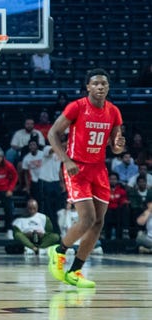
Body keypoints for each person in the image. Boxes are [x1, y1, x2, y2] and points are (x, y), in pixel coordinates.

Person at [47, 68, 125, 288]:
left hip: (98, 169)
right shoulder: (77, 107)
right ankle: (59, 251)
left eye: (104, 84)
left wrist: (119, 147)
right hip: (77, 168)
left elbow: (115, 146)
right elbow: (53, 133)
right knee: (88, 218)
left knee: (98, 222)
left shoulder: (114, 111)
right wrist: (66, 160)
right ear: (88, 87)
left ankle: (75, 271)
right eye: (96, 83)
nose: (101, 87)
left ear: (108, 88)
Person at [103, 172, 129, 241]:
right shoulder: (104, 190)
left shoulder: (121, 191)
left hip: (118, 211)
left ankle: (121, 236)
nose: (112, 181)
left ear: (117, 180)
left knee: (121, 212)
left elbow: (123, 200)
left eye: (114, 179)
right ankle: (106, 237)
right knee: (108, 213)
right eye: (111, 179)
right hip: (107, 210)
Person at [127, 175, 152, 240]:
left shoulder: (150, 192)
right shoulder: (133, 193)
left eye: (143, 182)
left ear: (146, 183)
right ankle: (136, 235)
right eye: (140, 182)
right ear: (137, 183)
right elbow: (133, 204)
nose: (142, 183)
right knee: (135, 212)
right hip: (137, 213)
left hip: (149, 212)